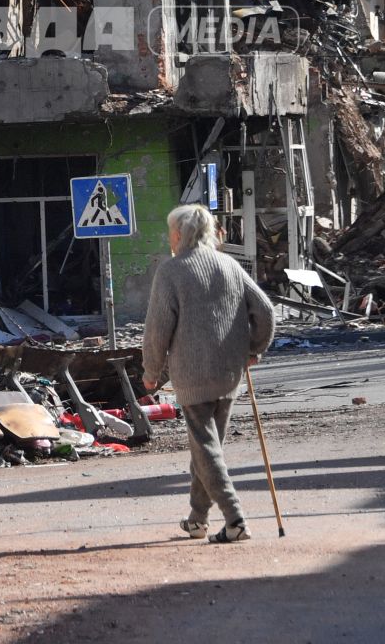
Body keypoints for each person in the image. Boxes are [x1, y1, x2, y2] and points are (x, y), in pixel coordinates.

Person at [141, 203, 275, 544]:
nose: (169, 238)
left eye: (171, 232)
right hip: (230, 372)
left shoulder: (171, 271)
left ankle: (235, 519)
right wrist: (253, 350)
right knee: (207, 448)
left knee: (206, 448)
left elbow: (157, 328)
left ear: (179, 234)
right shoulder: (229, 264)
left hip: (192, 373)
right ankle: (197, 519)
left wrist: (151, 372)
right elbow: (266, 310)